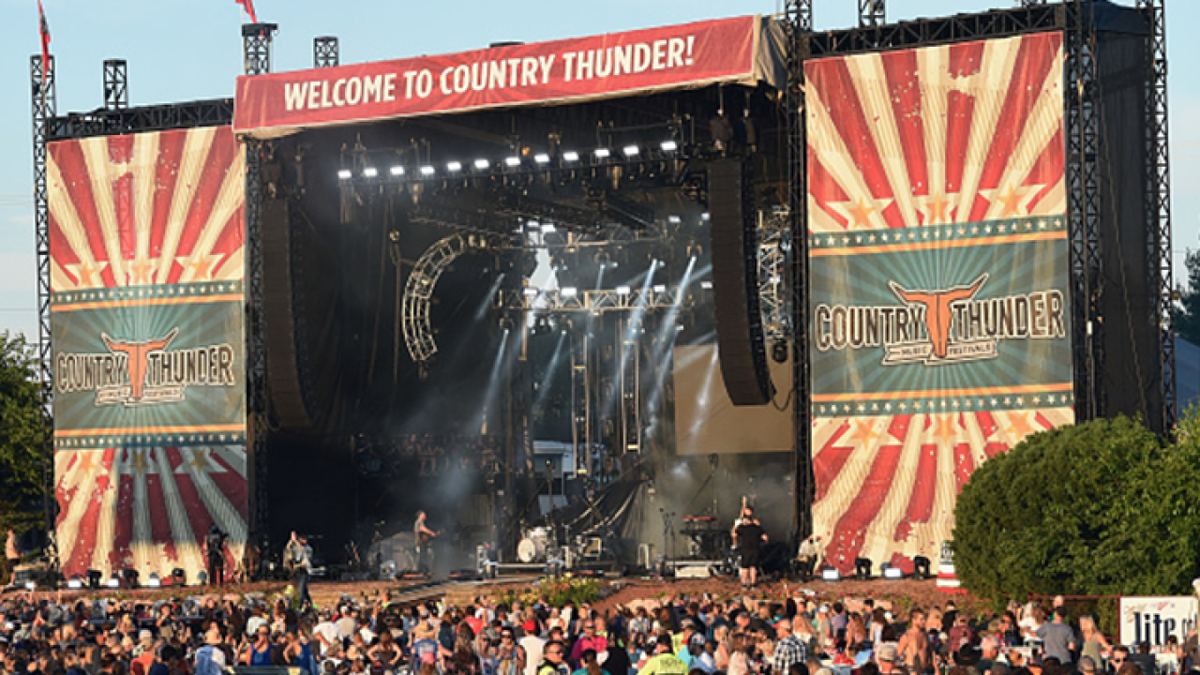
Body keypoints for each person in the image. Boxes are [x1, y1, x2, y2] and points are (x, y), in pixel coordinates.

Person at [731, 507, 768, 588]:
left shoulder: (742, 528)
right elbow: (765, 537)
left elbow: (733, 535)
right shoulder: (757, 528)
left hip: (746, 549)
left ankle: (744, 584)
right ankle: (753, 584)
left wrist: (735, 526)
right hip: (755, 549)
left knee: (745, 567)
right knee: (753, 567)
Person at [286, 531, 314, 609]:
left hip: (305, 571)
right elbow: (288, 548)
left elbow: (303, 551)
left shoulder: (308, 549)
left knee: (301, 590)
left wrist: (295, 541)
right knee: (304, 590)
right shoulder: (296, 548)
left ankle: (299, 607)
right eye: (302, 539)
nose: (304, 541)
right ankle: (310, 604)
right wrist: (291, 541)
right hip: (298, 571)